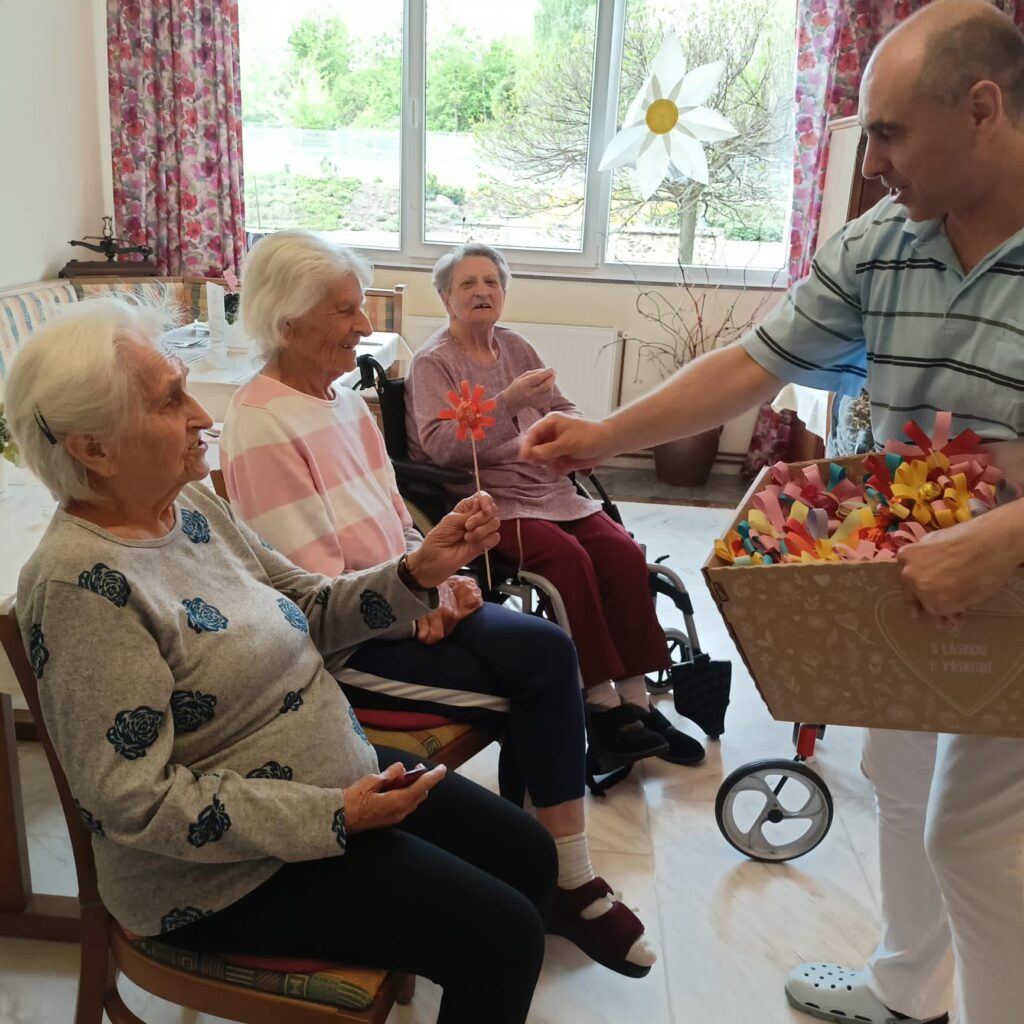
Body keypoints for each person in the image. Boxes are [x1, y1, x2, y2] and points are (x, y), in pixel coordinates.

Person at [520, 3, 1024, 1022]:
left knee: (975, 840)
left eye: (889, 134)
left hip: (1009, 585)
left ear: (982, 110)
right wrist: (605, 433)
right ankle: (905, 989)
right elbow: (754, 362)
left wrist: (1008, 535)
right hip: (913, 568)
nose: (871, 163)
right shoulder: (883, 240)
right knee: (896, 775)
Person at [5, 296, 557, 1024]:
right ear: (94, 449)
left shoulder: (192, 506)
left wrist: (417, 570)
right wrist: (334, 815)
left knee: (528, 855)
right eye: (170, 401)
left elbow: (311, 605)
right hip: (222, 876)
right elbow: (136, 802)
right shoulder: (82, 588)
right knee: (502, 936)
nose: (201, 416)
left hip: (333, 784)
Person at [218, 229, 656, 978]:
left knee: (548, 649)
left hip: (404, 602)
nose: (365, 325)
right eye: (346, 311)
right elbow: (313, 591)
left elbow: (397, 519)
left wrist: (445, 574)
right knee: (531, 684)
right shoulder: (261, 424)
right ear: (288, 323)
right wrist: (415, 591)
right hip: (347, 647)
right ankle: (557, 882)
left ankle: (559, 870)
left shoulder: (343, 403)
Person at [404, 241, 705, 769]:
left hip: (550, 488)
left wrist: (583, 436)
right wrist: (508, 404)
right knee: (569, 562)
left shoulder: (516, 347)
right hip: (490, 500)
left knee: (623, 555)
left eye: (491, 282)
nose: (482, 291)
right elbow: (440, 447)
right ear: (447, 299)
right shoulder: (433, 363)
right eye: (467, 283)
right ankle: (601, 708)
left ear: (504, 293)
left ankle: (638, 706)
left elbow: (561, 406)